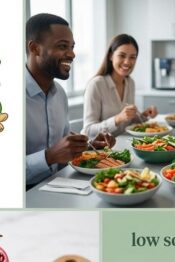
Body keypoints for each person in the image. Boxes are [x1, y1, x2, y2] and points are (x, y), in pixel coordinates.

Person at [25, 14, 114, 188]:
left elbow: (63, 149)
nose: (72, 54)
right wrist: (49, 156)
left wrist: (87, 147)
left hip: (59, 185)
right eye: (62, 46)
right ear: (35, 48)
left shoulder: (59, 93)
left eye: (72, 47)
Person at [82, 34, 156, 138]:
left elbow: (129, 122)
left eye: (132, 57)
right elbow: (88, 131)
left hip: (123, 144)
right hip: (102, 150)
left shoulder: (130, 83)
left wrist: (144, 115)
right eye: (122, 55)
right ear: (111, 56)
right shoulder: (96, 85)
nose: (127, 62)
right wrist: (117, 119)